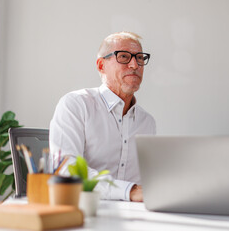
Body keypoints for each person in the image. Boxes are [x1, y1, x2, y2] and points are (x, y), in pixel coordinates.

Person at [49, 32, 156, 202]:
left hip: (136, 216)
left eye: (140, 58)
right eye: (123, 56)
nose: (135, 64)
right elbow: (66, 169)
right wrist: (129, 191)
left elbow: (148, 182)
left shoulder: (147, 122)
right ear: (101, 65)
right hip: (87, 213)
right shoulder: (76, 105)